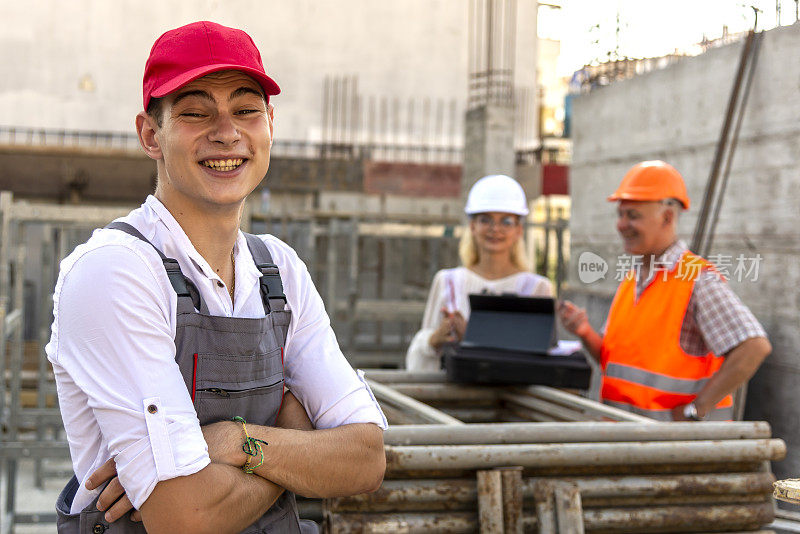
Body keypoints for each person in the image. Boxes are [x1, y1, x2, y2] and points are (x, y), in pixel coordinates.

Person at [47, 21, 387, 533]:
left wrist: (233, 440)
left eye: (246, 109)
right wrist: (289, 433)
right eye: (195, 112)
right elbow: (186, 518)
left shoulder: (280, 271)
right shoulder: (116, 272)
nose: (226, 131)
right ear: (150, 134)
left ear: (269, 122)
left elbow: (365, 458)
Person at [558, 160, 771, 421]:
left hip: (676, 451)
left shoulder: (696, 279)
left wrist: (697, 409)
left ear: (667, 217)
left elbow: (754, 347)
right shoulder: (633, 278)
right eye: (620, 214)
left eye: (632, 215)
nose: (621, 225)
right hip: (627, 442)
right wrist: (584, 332)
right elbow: (615, 361)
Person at [406, 174, 553, 371]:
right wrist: (435, 339)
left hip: (516, 400)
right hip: (456, 399)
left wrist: (473, 337)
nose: (495, 229)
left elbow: (541, 360)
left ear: (519, 229)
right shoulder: (448, 282)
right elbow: (419, 362)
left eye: (506, 221)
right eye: (486, 220)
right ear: (472, 226)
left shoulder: (537, 288)